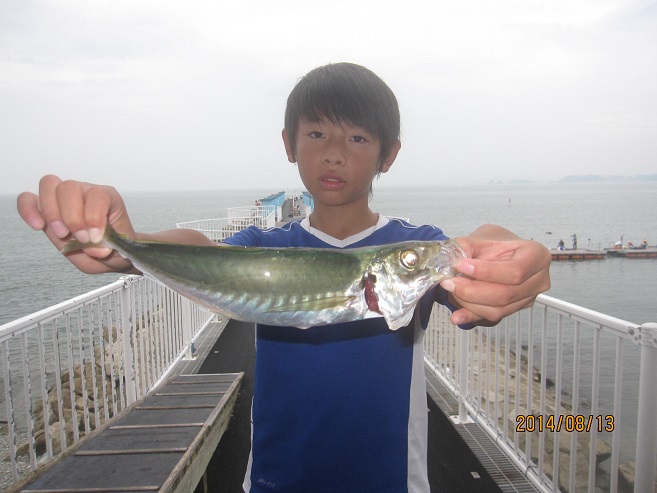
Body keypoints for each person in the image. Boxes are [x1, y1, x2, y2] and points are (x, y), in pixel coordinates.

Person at [17, 62, 551, 493]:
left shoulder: (410, 246)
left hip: (390, 480)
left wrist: (510, 258)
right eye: (316, 133)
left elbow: (470, 248)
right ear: (289, 144)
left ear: (389, 154)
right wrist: (128, 246)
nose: (334, 153)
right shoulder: (266, 246)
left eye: (358, 137)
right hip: (276, 478)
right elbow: (207, 251)